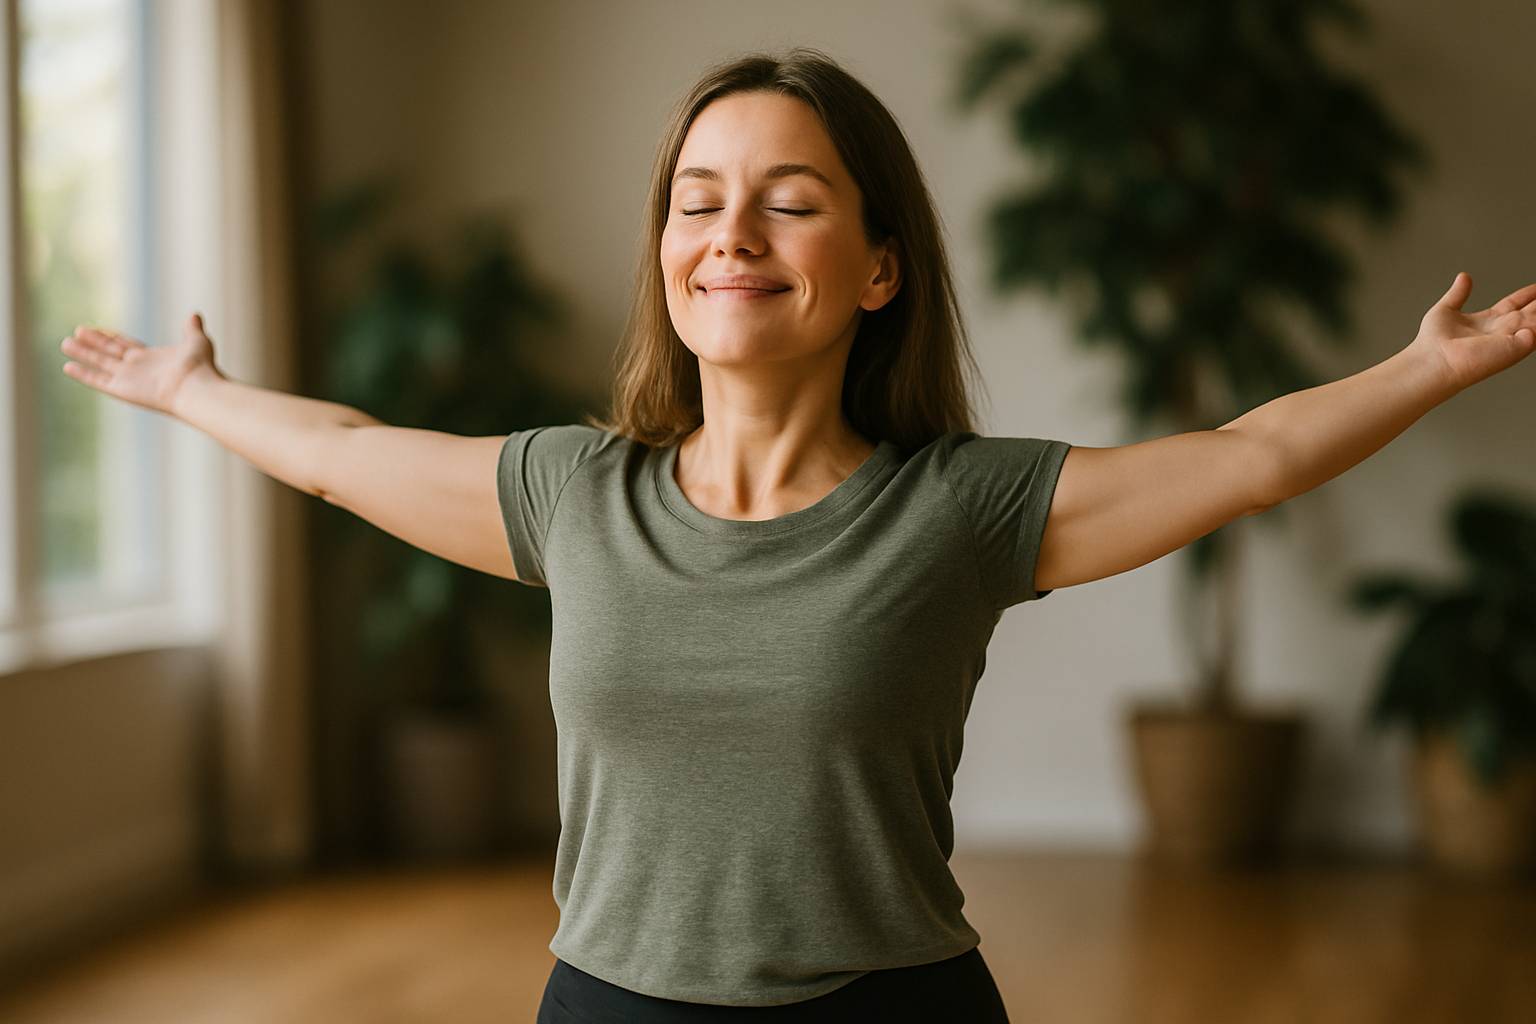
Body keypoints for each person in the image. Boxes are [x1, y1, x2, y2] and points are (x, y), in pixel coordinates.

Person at [58, 45, 1534, 1024]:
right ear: (666, 253)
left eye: (790, 201)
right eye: (698, 202)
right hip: (607, 1007)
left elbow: (1251, 456)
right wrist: (200, 395)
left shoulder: (960, 510)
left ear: (880, 266)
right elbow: (345, 456)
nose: (732, 234)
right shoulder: (576, 496)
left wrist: (1430, 366)